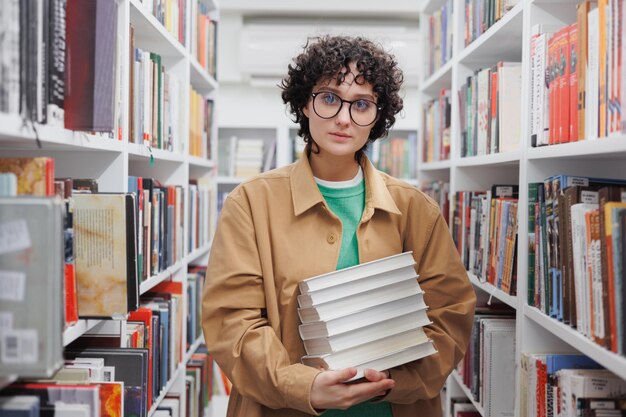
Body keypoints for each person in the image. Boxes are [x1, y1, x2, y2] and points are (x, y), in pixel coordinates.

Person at [202, 35, 476, 417]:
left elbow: (450, 318)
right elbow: (233, 323)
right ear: (304, 103)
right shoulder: (250, 203)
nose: (344, 118)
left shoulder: (416, 209)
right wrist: (304, 386)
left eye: (361, 104)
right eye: (330, 98)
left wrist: (390, 382)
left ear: (377, 117)